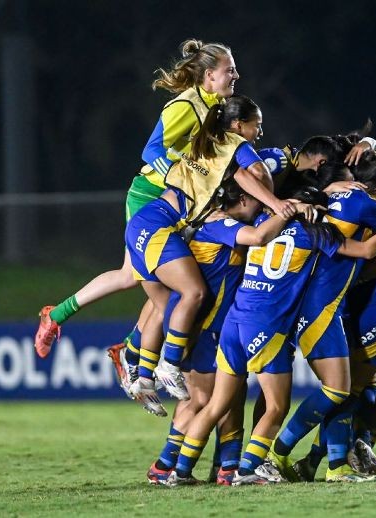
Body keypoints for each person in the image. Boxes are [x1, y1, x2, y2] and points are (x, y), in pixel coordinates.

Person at [33, 39, 240, 377]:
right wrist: (178, 177)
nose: (235, 75)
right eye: (229, 70)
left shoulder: (215, 108)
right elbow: (151, 150)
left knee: (152, 283)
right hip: (151, 199)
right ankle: (133, 356)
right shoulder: (186, 106)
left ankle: (78, 327)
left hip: (177, 205)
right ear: (208, 76)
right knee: (160, 290)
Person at [126, 95, 296, 405]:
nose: (259, 132)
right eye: (255, 125)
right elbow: (255, 172)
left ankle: (141, 376)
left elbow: (242, 175)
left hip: (147, 223)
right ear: (237, 125)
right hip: (159, 225)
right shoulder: (234, 145)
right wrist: (277, 204)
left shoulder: (209, 141)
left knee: (163, 305)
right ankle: (168, 365)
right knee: (194, 293)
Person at [146, 179, 307, 485]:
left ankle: (225, 467)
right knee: (204, 400)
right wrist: (287, 210)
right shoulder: (219, 223)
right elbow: (259, 236)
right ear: (244, 199)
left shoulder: (219, 223)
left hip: (215, 325)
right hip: (203, 327)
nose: (263, 203)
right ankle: (167, 467)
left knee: (228, 398)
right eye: (258, 199)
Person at [268, 162, 376, 483]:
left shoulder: (329, 199)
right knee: (338, 389)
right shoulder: (368, 204)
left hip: (319, 304)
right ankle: (279, 450)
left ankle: (336, 467)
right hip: (323, 308)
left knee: (343, 390)